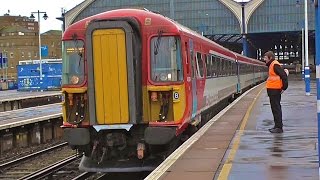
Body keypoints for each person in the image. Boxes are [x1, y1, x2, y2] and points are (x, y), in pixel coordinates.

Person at [264, 51, 288, 133]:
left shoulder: (275, 64)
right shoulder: (272, 65)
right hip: (273, 91)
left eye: (265, 58)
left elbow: (284, 75)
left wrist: (284, 87)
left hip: (275, 91)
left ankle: (279, 127)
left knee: (276, 109)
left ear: (270, 58)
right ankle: (277, 126)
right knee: (275, 109)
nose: (264, 59)